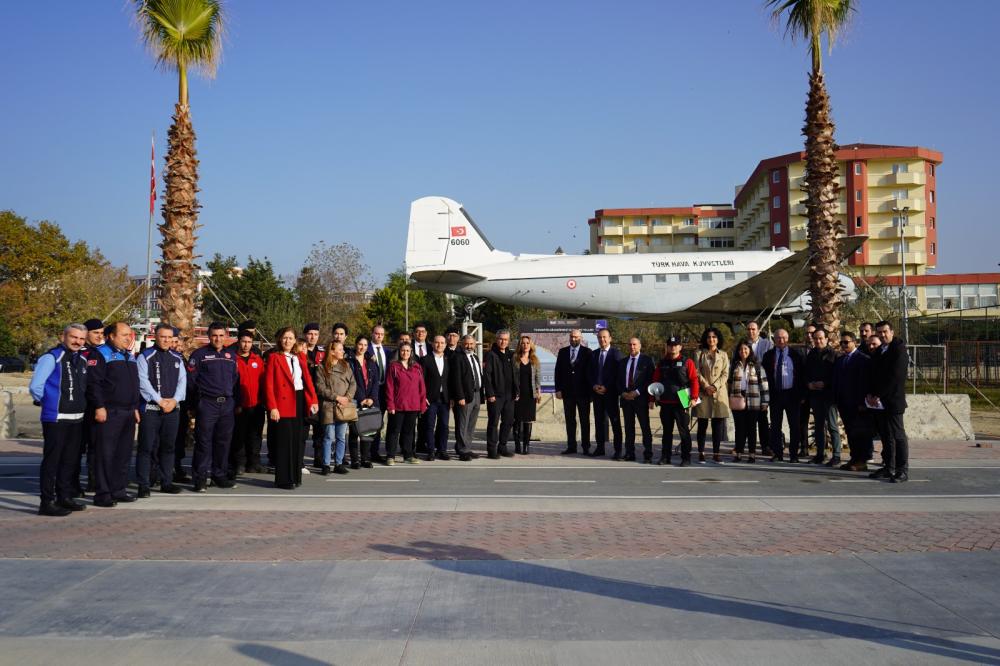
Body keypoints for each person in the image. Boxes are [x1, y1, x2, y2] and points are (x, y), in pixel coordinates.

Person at [29, 323, 89, 516]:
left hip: (76, 418)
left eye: (81, 338)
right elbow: (36, 386)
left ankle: (65, 497)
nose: (77, 341)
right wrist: (47, 403)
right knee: (52, 461)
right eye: (73, 337)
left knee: (69, 461)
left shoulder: (81, 359)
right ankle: (46, 502)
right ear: (63, 336)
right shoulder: (51, 357)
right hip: (56, 418)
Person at [85, 322, 141, 507]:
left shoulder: (129, 356)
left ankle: (118, 490)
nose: (128, 338)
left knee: (123, 454)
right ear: (111, 336)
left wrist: (134, 407)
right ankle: (103, 494)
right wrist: (99, 407)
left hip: (127, 412)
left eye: (130, 335)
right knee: (105, 454)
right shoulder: (100, 354)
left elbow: (132, 385)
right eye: (124, 334)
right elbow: (94, 384)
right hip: (109, 412)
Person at [186, 322, 241, 492]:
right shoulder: (199, 355)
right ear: (209, 336)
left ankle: (219, 475)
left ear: (226, 336)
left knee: (223, 442)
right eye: (214, 335)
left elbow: (235, 381)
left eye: (221, 335)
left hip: (226, 405)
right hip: (207, 404)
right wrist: (195, 405)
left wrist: (235, 402)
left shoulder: (231, 356)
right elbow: (191, 383)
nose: (218, 339)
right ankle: (200, 478)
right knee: (203, 442)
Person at [135, 323, 186, 497]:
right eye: (162, 336)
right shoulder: (145, 356)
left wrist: (174, 400)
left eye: (169, 337)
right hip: (151, 410)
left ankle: (167, 482)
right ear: (155, 336)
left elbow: (182, 382)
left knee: (168, 447)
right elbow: (143, 382)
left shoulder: (177, 358)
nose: (166, 340)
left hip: (172, 410)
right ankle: (143, 484)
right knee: (146, 447)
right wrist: (159, 400)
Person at [265, 327, 319, 488]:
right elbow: (268, 385)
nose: (287, 341)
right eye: (284, 338)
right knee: (284, 442)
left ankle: (295, 477)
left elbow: (307, 381)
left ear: (295, 340)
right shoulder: (274, 357)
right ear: (280, 340)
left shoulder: (300, 357)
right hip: (283, 403)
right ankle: (283, 479)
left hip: (299, 400)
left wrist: (313, 400)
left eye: (290, 338)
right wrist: (273, 407)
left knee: (297, 441)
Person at [868, 321, 910, 483]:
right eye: (879, 332)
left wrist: (878, 394)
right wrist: (871, 394)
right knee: (886, 437)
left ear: (892, 332)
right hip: (879, 402)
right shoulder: (880, 350)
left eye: (885, 331)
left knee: (898, 436)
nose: (882, 335)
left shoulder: (899, 350)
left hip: (893, 401)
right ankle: (889, 467)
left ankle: (902, 470)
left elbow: (895, 377)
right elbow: (874, 375)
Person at [651, 335, 698, 466]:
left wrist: (694, 397)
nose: (673, 347)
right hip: (665, 401)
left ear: (680, 347)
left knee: (684, 431)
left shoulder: (687, 362)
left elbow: (694, 379)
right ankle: (665, 457)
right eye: (670, 345)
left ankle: (686, 458)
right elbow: (655, 381)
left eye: (676, 345)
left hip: (682, 399)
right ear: (667, 347)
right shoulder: (662, 363)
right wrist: (652, 398)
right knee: (666, 432)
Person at [762, 329, 805, 463]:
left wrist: (802, 394)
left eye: (784, 338)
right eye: (778, 338)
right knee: (775, 425)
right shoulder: (768, 355)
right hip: (775, 395)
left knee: (795, 426)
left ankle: (793, 454)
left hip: (792, 395)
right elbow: (765, 376)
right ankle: (777, 453)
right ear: (774, 339)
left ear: (788, 339)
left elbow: (802, 376)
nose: (781, 340)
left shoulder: (796, 355)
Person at [314, 341, 357, 475]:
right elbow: (320, 388)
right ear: (332, 351)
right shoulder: (321, 367)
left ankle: (338, 463)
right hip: (328, 406)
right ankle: (326, 464)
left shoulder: (346, 365)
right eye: (340, 349)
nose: (342, 351)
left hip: (343, 406)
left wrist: (347, 398)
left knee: (341, 437)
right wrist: (337, 397)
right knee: (328, 436)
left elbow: (353, 384)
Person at [832, 331, 873, 471]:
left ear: (854, 342)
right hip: (844, 403)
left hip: (858, 404)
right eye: (841, 342)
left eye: (846, 342)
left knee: (860, 433)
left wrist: (862, 402)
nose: (843, 345)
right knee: (851, 432)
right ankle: (854, 458)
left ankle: (862, 460)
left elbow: (865, 383)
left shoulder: (863, 359)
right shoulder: (840, 359)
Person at [74, 317, 105, 496]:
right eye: (95, 333)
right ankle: (74, 483)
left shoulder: (97, 352)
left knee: (94, 447)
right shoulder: (82, 353)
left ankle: (92, 482)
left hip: (93, 407)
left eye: (101, 333)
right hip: (81, 407)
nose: (99, 336)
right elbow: (91, 383)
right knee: (77, 449)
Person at [692, 328, 731, 464]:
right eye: (709, 337)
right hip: (703, 393)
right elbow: (696, 372)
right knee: (702, 424)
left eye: (714, 337)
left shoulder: (724, 355)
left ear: (718, 339)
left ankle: (716, 453)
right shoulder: (698, 354)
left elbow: (725, 374)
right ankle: (701, 453)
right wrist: (706, 386)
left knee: (717, 425)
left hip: (719, 393)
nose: (711, 339)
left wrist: (714, 386)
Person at [805, 326, 842, 466]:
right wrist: (809, 384)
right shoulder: (811, 354)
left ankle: (837, 455)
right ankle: (820, 454)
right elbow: (806, 372)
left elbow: (837, 376)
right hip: (815, 395)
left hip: (829, 396)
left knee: (832, 426)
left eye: (820, 338)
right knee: (819, 427)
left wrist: (825, 384)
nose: (818, 341)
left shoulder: (834, 355)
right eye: (815, 338)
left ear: (827, 339)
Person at [231, 330, 267, 475]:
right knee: (239, 436)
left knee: (255, 436)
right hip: (240, 405)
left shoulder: (257, 360)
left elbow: (264, 381)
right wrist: (235, 403)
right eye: (244, 342)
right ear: (239, 342)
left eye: (249, 342)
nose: (246, 345)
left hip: (257, 405)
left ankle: (254, 463)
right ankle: (240, 463)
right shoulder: (232, 360)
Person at [384, 342, 426, 464]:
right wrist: (390, 404)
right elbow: (389, 387)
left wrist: (422, 404)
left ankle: (408, 455)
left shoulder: (417, 367)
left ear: (411, 352)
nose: (405, 353)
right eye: (403, 350)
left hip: (413, 405)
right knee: (393, 431)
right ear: (399, 351)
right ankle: (390, 456)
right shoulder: (394, 366)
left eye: (408, 351)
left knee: (409, 432)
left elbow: (421, 387)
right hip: (398, 406)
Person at [728, 340, 769, 463]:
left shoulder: (757, 365)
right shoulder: (734, 365)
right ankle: (739, 453)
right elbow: (729, 383)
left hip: (754, 400)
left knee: (752, 428)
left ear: (750, 350)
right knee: (739, 429)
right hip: (738, 400)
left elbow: (764, 384)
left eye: (745, 349)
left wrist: (765, 402)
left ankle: (752, 454)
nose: (743, 351)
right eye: (741, 349)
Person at [554, 329, 593, 455]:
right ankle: (571, 446)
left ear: (580, 338)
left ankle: (586, 447)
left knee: (584, 420)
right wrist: (558, 389)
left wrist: (591, 393)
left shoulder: (587, 352)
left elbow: (590, 373)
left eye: (576, 337)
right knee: (570, 420)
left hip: (583, 393)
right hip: (568, 393)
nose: (573, 339)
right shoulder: (562, 352)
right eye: (571, 337)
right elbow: (558, 372)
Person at [483, 330, 519, 459]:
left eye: (505, 339)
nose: (503, 341)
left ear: (508, 341)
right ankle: (491, 450)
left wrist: (516, 391)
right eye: (500, 339)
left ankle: (502, 447)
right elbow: (486, 376)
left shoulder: (511, 355)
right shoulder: (491, 354)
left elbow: (515, 374)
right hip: (495, 396)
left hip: (510, 396)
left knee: (508, 421)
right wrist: (490, 393)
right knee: (493, 422)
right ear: (496, 339)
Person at [618, 337, 654, 463]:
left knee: (645, 427)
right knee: (628, 428)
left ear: (640, 346)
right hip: (626, 399)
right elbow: (618, 380)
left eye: (634, 344)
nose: (632, 347)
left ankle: (648, 454)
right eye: (630, 344)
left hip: (641, 399)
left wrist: (637, 392)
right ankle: (629, 453)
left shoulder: (647, 361)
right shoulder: (623, 362)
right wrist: (623, 393)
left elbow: (650, 380)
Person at [589, 327, 623, 459]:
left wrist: (606, 387)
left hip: (611, 394)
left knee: (615, 422)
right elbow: (589, 373)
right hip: (597, 394)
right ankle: (600, 447)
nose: (602, 339)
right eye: (599, 337)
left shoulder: (616, 354)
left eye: (604, 337)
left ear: (610, 339)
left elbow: (617, 374)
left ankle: (618, 450)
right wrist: (594, 385)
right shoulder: (594, 354)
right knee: (599, 422)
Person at [420, 335, 452, 461]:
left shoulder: (448, 359)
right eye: (437, 342)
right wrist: (424, 397)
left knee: (444, 425)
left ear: (445, 344)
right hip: (430, 399)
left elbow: (450, 380)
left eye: (442, 343)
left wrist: (452, 397)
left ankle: (442, 450)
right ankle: (430, 451)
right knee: (429, 425)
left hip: (445, 399)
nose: (439, 345)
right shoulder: (425, 359)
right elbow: (421, 380)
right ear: (432, 344)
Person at [348, 334, 379, 468]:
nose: (362, 347)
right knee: (354, 432)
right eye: (360, 344)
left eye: (365, 345)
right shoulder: (349, 361)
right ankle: (355, 459)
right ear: (356, 344)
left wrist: (372, 398)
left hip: (370, 400)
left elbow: (376, 382)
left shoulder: (371, 362)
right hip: (355, 400)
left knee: (367, 431)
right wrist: (361, 399)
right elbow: (351, 382)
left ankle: (365, 458)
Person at [451, 335, 483, 461]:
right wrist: (460, 396)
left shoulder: (475, 357)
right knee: (462, 423)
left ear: (475, 344)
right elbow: (456, 379)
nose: (469, 346)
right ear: (461, 344)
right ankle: (461, 449)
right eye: (466, 344)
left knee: (471, 423)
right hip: (464, 396)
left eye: (471, 344)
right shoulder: (457, 357)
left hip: (477, 394)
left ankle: (467, 447)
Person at [746, 321, 773, 456]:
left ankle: (765, 446)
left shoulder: (767, 344)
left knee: (763, 418)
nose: (751, 331)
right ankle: (744, 445)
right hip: (748, 385)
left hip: (763, 384)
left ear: (758, 330)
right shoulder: (744, 345)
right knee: (747, 419)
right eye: (749, 329)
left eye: (753, 329)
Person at [302, 323, 327, 469]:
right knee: (303, 431)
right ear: (305, 335)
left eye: (316, 334)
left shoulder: (322, 352)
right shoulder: (301, 350)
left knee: (320, 431)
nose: (313, 337)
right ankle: (300, 459)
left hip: (319, 396)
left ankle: (318, 458)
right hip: (304, 396)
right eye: (310, 334)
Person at [171, 327, 194, 484]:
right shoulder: (159, 357)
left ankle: (177, 468)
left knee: (179, 440)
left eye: (177, 341)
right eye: (173, 340)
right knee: (167, 440)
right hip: (167, 405)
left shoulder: (182, 358)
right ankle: (164, 470)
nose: (175, 343)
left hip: (182, 405)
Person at [513, 334, 541, 455]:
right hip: (518, 394)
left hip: (530, 395)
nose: (525, 345)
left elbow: (537, 378)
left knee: (528, 421)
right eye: (523, 343)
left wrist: (538, 392)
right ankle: (517, 445)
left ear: (531, 345)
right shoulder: (515, 359)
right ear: (520, 345)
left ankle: (526, 445)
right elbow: (512, 377)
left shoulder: (535, 360)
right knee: (517, 421)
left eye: (527, 343)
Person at [367, 325, 391, 462]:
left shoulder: (387, 352)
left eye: (381, 334)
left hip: (384, 390)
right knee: (370, 421)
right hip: (371, 391)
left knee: (380, 422)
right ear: (372, 334)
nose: (379, 336)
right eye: (376, 333)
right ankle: (368, 452)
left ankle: (375, 451)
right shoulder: (367, 350)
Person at [412, 324, 430, 454]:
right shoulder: (407, 348)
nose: (420, 334)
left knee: (424, 419)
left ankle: (421, 444)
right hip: (411, 388)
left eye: (422, 331)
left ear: (426, 333)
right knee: (410, 420)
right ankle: (408, 445)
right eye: (417, 332)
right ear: (414, 334)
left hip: (427, 388)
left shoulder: (431, 347)